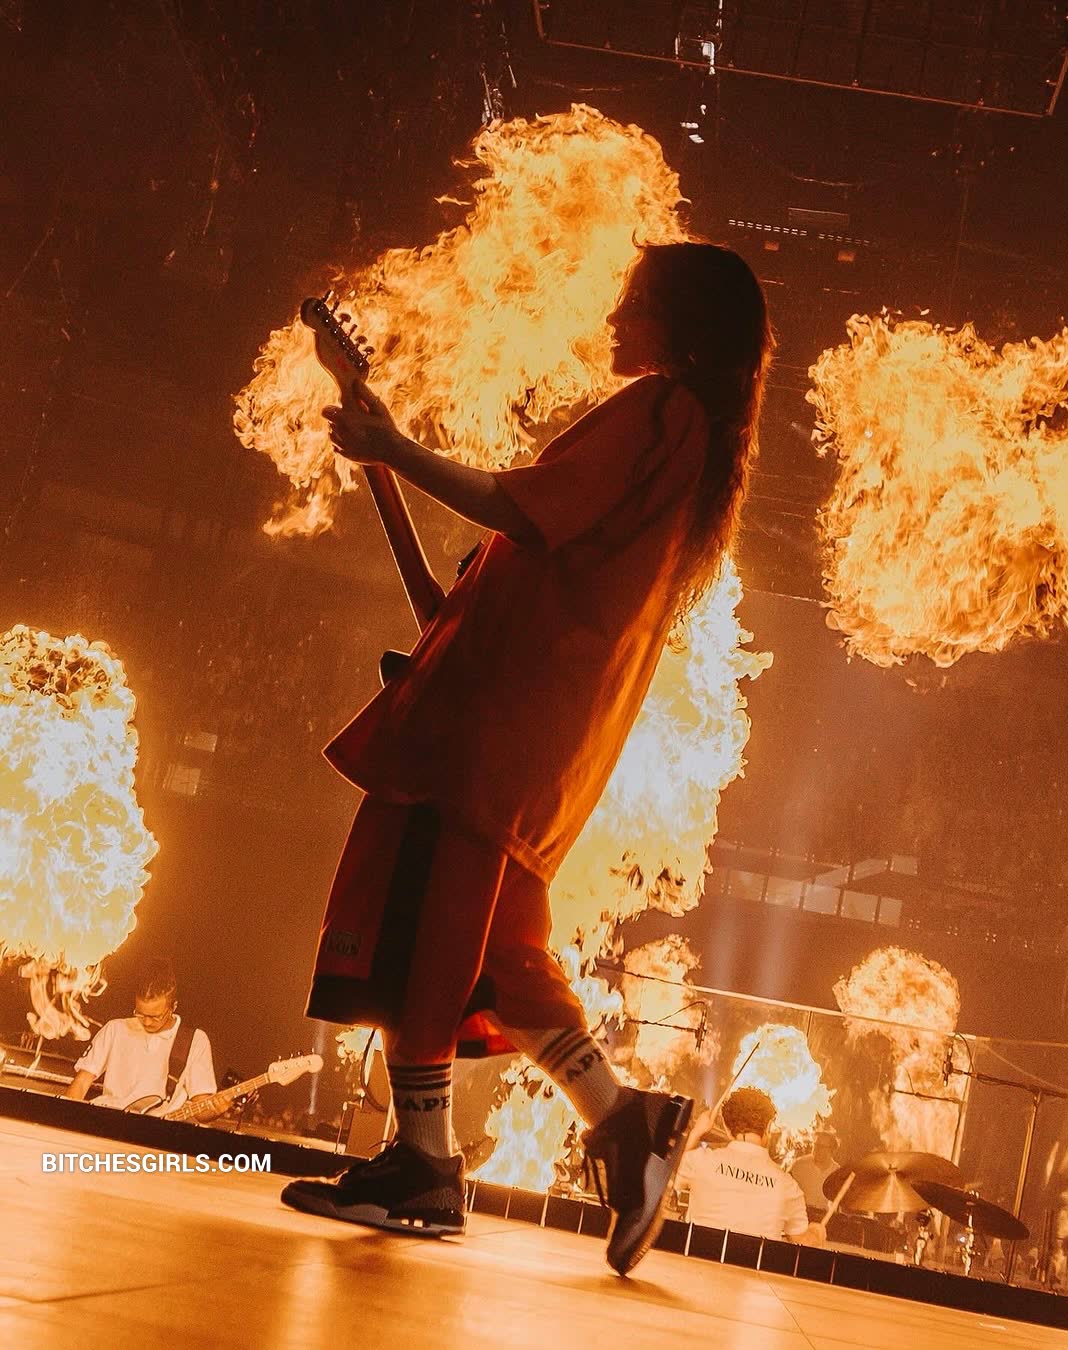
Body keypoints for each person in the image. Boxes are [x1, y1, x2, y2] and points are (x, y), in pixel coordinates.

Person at [282, 243, 774, 1275]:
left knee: (435, 928)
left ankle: (425, 1163)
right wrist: (381, 459)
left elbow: (519, 504)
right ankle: (626, 1123)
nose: (614, 317)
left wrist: (396, 443)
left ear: (683, 329)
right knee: (504, 955)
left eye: (633, 302)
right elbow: (454, 604)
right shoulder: (682, 434)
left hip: (504, 730)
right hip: (525, 725)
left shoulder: (663, 409)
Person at [62, 958, 220, 1120]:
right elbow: (81, 1083)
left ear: (173, 1007)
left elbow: (202, 1111)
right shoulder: (115, 1029)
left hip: (154, 1130)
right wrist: (65, 1118)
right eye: (140, 1014)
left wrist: (218, 1108)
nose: (147, 1022)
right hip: (106, 1119)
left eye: (155, 1016)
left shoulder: (195, 1041)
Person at [677, 1088, 826, 1244]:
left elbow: (675, 1179)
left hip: (699, 1257)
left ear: (726, 1128)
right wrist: (816, 1233)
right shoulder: (788, 1186)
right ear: (769, 1127)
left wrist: (696, 1132)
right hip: (757, 1260)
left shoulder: (700, 1161)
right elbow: (803, 1243)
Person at [790, 1129, 842, 1217]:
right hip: (799, 1216)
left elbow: (838, 1204)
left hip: (823, 1219)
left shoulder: (837, 1173)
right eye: (816, 1145)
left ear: (832, 1151)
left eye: (822, 1147)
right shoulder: (799, 1165)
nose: (817, 1149)